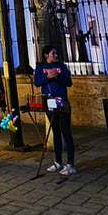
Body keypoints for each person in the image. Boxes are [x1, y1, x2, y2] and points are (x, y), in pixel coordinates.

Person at [33, 45, 76, 175]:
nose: (56, 55)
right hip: (49, 101)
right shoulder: (40, 67)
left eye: (56, 53)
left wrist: (57, 76)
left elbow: (69, 82)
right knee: (55, 131)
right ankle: (58, 161)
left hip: (62, 100)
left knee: (66, 132)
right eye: (53, 53)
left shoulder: (62, 67)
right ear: (46, 55)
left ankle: (70, 164)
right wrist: (48, 77)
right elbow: (37, 82)